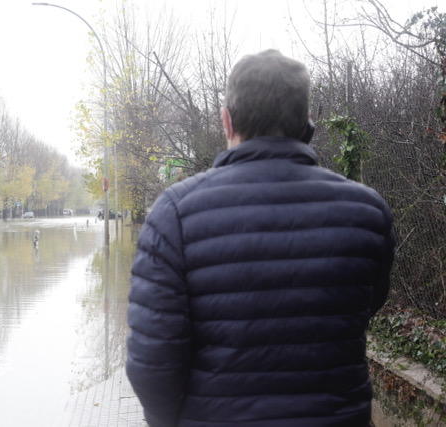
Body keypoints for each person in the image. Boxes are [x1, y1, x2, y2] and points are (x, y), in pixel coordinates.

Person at [126, 50, 395, 427]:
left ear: (226, 120)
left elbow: (153, 361)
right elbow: (366, 307)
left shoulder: (174, 216)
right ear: (307, 123)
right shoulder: (368, 213)